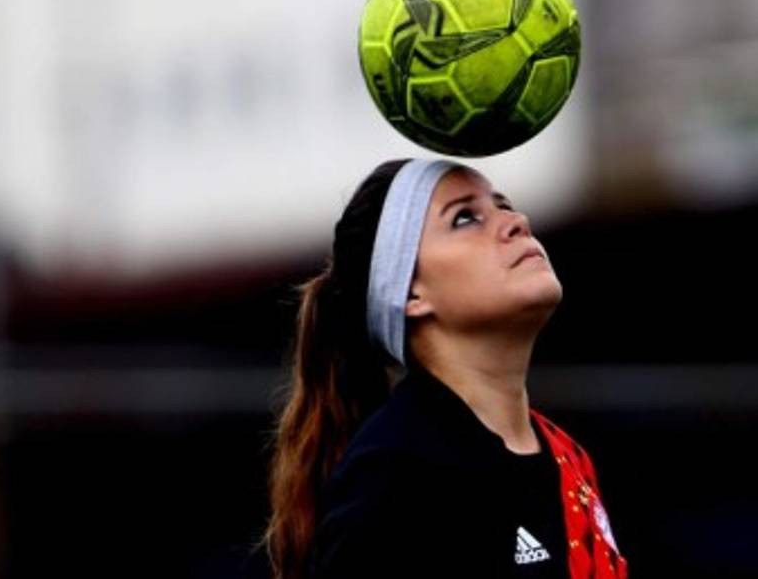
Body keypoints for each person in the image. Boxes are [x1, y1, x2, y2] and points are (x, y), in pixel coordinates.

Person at [262, 157, 628, 579]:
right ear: (410, 292)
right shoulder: (395, 476)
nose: (516, 221)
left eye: (503, 204)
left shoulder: (568, 457)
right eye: (465, 217)